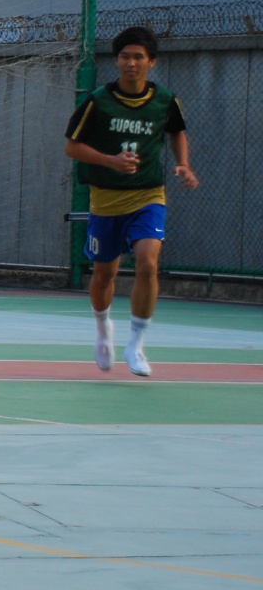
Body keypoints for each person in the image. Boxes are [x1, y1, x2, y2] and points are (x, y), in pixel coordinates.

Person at [66, 26, 197, 376]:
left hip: (148, 195)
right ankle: (103, 329)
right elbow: (72, 147)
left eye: (139, 57)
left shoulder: (165, 100)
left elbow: (176, 132)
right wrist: (111, 161)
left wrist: (183, 164)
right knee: (103, 276)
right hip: (106, 200)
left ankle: (136, 344)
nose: (131, 63)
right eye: (125, 56)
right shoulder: (98, 101)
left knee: (148, 263)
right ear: (117, 60)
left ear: (151, 62)